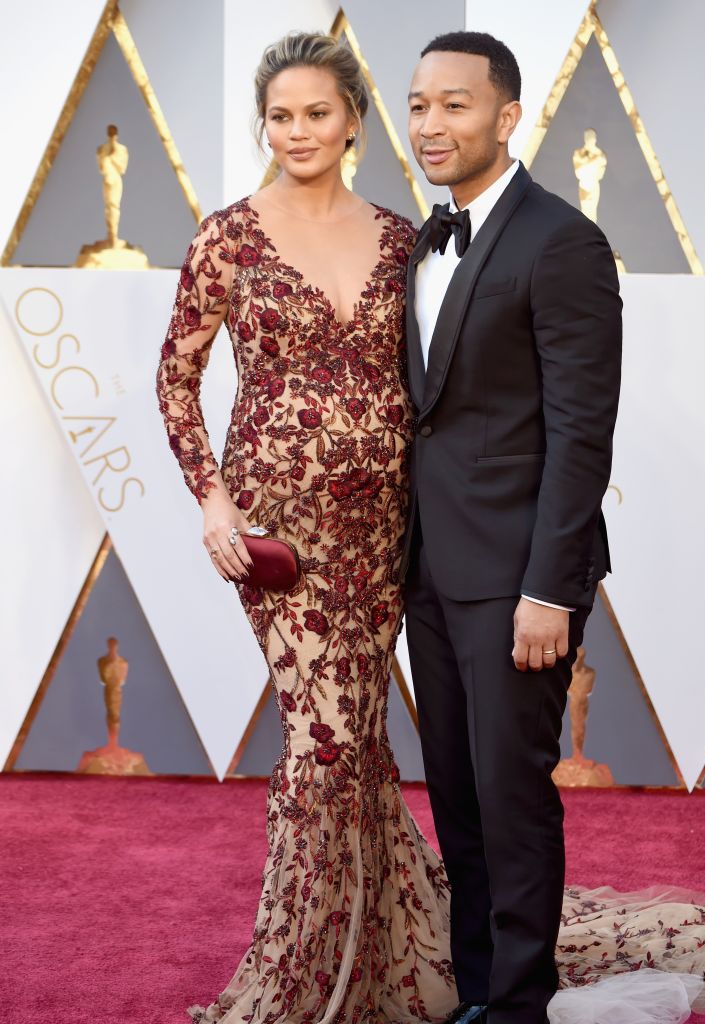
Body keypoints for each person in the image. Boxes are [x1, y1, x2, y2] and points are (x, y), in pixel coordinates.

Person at [402, 30, 705, 1024]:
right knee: (460, 801)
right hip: (427, 570)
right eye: (419, 104)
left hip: (519, 575)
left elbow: (578, 431)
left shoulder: (559, 240)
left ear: (506, 116)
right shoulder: (421, 242)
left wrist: (549, 588)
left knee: (511, 799)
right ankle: (476, 992)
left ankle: (515, 1006)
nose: (431, 124)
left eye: (455, 105)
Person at [156, 31, 457, 1024]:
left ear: (354, 121)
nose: (296, 132)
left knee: (356, 739)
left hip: (381, 531)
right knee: (322, 740)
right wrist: (212, 497)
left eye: (315, 114)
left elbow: (428, 381)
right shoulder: (229, 235)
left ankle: (385, 960)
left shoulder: (401, 234)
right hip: (276, 531)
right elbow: (176, 378)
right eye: (279, 116)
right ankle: (301, 981)